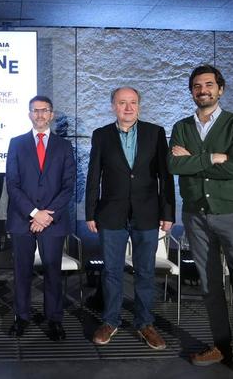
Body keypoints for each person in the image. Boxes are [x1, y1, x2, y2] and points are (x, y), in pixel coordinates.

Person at [168, 65, 233, 379]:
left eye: (209, 84)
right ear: (192, 92)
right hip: (195, 216)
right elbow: (174, 164)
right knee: (209, 286)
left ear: (221, 89)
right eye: (198, 86)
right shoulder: (181, 126)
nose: (203, 90)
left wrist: (195, 161)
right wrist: (214, 157)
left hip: (232, 215)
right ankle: (222, 345)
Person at [85, 86, 175, 350]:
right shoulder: (101, 135)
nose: (128, 107)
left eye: (133, 102)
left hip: (147, 214)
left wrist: (168, 212)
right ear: (113, 106)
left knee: (145, 272)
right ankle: (110, 321)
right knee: (112, 271)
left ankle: (145, 323)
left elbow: (165, 176)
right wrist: (90, 212)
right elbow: (94, 177)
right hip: (111, 214)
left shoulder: (155, 133)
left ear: (139, 106)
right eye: (122, 103)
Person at [5, 95, 76, 341]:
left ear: (52, 114)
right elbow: (12, 185)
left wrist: (46, 215)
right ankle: (21, 318)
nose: (40, 115)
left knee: (53, 273)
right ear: (29, 114)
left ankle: (54, 320)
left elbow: (68, 186)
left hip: (53, 221)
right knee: (21, 272)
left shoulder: (64, 147)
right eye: (35, 111)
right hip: (22, 219)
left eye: (44, 110)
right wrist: (35, 214)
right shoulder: (16, 143)